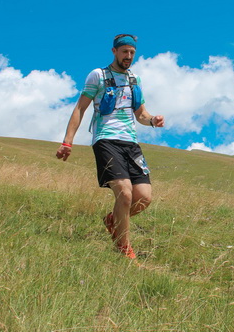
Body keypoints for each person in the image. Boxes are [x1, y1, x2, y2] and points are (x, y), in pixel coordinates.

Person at [56, 34, 164, 260]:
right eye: (125, 52)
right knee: (124, 193)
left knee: (144, 197)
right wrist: (68, 141)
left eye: (132, 52)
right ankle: (124, 249)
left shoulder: (134, 79)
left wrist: (153, 120)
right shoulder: (98, 75)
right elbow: (80, 108)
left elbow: (141, 114)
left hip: (131, 143)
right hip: (106, 140)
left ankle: (112, 220)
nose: (129, 56)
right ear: (114, 51)